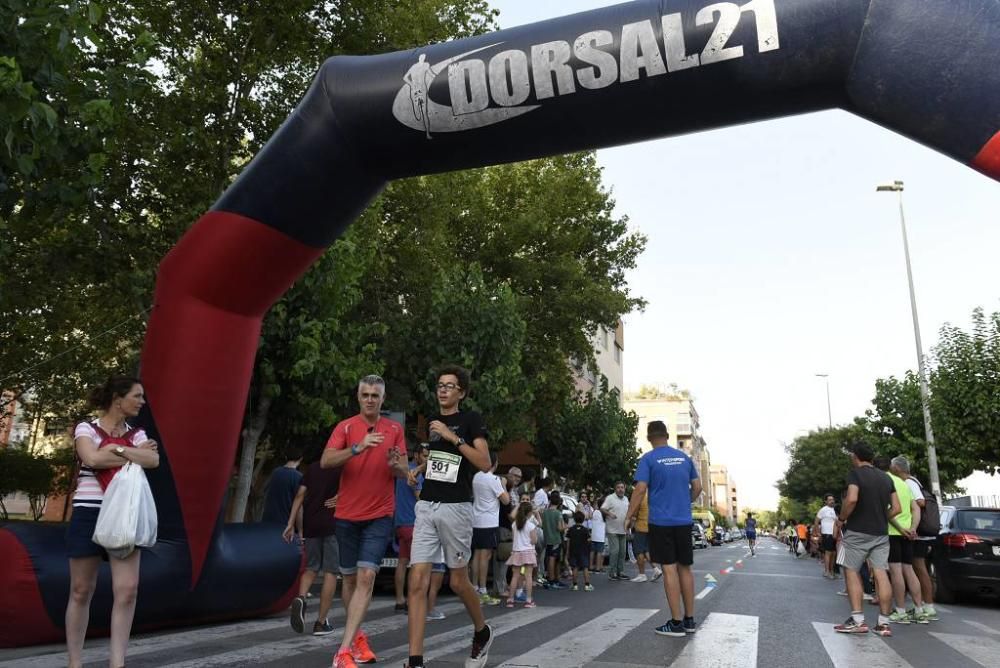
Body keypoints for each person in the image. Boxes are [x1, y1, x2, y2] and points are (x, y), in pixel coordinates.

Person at [66, 376, 160, 668]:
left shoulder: (137, 432)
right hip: (89, 513)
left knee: (127, 589)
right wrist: (134, 455)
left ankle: (117, 663)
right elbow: (91, 459)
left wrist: (116, 450)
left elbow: (153, 461)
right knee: (81, 590)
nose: (142, 402)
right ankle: (75, 662)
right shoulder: (86, 427)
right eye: (138, 396)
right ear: (118, 399)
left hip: (124, 515)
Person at [405, 365, 494, 668]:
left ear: (462, 392)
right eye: (439, 385)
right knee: (417, 581)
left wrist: (452, 437)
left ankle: (482, 632)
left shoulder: (470, 420)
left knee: (457, 581)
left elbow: (483, 462)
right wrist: (419, 469)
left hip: (456, 508)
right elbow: (440, 461)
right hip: (427, 504)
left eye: (449, 385)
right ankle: (415, 660)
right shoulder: (431, 421)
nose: (442, 390)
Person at [321, 374, 409, 668]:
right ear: (358, 397)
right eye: (366, 395)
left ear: (383, 399)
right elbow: (326, 461)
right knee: (349, 579)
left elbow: (402, 471)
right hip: (347, 514)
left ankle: (343, 651)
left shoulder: (394, 429)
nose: (370, 399)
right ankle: (357, 638)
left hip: (380, 514)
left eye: (375, 395)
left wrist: (396, 464)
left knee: (367, 577)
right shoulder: (345, 427)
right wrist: (357, 447)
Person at [625, 420, 702, 637]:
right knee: (685, 568)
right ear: (667, 436)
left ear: (649, 438)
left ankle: (675, 623)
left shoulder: (648, 459)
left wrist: (629, 515)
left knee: (669, 568)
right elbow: (698, 487)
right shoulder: (685, 458)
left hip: (661, 522)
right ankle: (689, 620)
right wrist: (684, 502)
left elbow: (640, 489)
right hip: (684, 521)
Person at [833, 443, 900, 637]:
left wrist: (842, 519)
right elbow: (896, 508)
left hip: (857, 531)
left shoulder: (856, 474)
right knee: (881, 573)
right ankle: (883, 624)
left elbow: (852, 499)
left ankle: (857, 620)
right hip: (881, 533)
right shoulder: (886, 478)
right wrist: (881, 515)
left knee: (851, 570)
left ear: (855, 457)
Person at [283, 448, 342, 635]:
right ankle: (321, 622)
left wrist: (290, 523)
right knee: (331, 572)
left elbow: (300, 495)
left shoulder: (314, 468)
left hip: (311, 523)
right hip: (333, 523)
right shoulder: (342, 468)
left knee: (311, 568)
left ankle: (301, 598)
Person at [882, 456, 928, 624]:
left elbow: (889, 510)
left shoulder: (886, 480)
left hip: (893, 532)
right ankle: (919, 610)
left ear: (894, 467)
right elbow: (916, 508)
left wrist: (900, 529)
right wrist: (913, 528)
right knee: (909, 570)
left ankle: (900, 610)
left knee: (895, 571)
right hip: (909, 533)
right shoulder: (906, 484)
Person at [892, 456, 938, 621]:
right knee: (914, 568)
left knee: (918, 568)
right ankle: (921, 606)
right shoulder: (911, 482)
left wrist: (911, 524)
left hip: (918, 533)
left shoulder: (909, 483)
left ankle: (927, 607)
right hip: (915, 532)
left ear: (897, 468)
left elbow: (920, 502)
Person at [471, 450, 509, 606]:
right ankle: (483, 590)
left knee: (476, 555)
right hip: (489, 521)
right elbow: (506, 500)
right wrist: (504, 485)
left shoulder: (476, 476)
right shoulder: (493, 479)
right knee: (485, 556)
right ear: (494, 463)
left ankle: (474, 588)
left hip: (476, 520)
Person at [393, 443, 427, 613]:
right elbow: (419, 497)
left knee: (402, 563)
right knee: (417, 565)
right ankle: (414, 600)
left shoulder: (401, 473)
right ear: (417, 455)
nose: (427, 459)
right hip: (414, 523)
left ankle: (400, 600)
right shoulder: (416, 473)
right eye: (425, 456)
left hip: (400, 522)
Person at [493, 466, 522, 598]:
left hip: (506, 528)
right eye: (514, 477)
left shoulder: (510, 494)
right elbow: (510, 515)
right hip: (504, 528)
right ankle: (500, 587)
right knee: (502, 560)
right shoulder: (505, 497)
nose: (516, 479)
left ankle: (502, 586)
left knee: (504, 560)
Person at [505, 500, 540, 607]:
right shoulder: (531, 525)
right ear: (529, 513)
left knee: (515, 576)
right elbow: (534, 541)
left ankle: (510, 599)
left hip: (516, 552)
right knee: (528, 576)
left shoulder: (515, 524)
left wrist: (518, 505)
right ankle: (528, 601)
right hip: (528, 552)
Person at [262, 447, 303, 524]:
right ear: (301, 459)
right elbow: (299, 507)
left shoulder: (275, 472)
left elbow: (266, 492)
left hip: (267, 520)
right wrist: (301, 530)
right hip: (285, 523)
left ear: (285, 457)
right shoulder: (299, 477)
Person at [630, 491, 662, 582]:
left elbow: (634, 515)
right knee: (646, 550)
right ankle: (656, 570)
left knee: (638, 551)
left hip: (640, 528)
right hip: (650, 527)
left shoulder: (639, 497)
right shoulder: (651, 496)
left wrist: (629, 527)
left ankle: (642, 574)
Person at [601, 482, 630, 581]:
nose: (620, 489)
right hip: (612, 529)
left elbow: (628, 512)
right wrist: (610, 514)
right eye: (618, 487)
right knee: (615, 551)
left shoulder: (626, 499)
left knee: (622, 552)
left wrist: (629, 526)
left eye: (622, 487)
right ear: (615, 489)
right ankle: (611, 573)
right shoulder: (610, 498)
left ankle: (620, 572)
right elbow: (602, 508)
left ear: (625, 489)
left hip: (623, 529)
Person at [542, 491, 566, 588]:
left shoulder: (545, 512)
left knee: (549, 559)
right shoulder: (558, 513)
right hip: (556, 539)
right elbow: (560, 528)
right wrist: (565, 526)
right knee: (554, 559)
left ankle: (551, 578)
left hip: (547, 538)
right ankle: (553, 580)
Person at [566, 510, 593, 591]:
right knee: (585, 567)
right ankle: (587, 585)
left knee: (575, 567)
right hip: (583, 551)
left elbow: (568, 541)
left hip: (573, 551)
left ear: (574, 519)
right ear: (583, 519)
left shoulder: (571, 529)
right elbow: (589, 540)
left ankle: (575, 585)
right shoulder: (585, 530)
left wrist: (567, 551)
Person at [814, 495, 838, 577]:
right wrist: (818, 533)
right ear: (826, 501)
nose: (832, 501)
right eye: (830, 500)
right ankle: (826, 571)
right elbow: (816, 521)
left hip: (835, 534)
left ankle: (831, 571)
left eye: (833, 499)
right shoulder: (823, 510)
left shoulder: (835, 510)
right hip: (827, 533)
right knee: (828, 552)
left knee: (834, 553)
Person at [590, 499, 606, 573]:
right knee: (599, 552)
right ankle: (598, 567)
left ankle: (590, 566)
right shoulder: (603, 513)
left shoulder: (595, 512)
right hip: (601, 536)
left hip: (593, 535)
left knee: (592, 551)